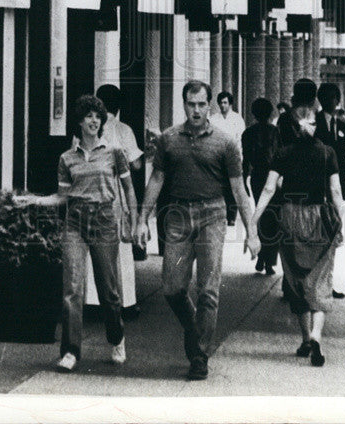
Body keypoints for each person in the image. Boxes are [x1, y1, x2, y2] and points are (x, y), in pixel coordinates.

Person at [134, 80, 259, 381]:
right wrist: (142, 219)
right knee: (172, 287)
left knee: (208, 290)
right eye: (192, 104)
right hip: (177, 216)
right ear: (184, 104)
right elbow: (156, 179)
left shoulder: (225, 142)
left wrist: (252, 232)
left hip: (212, 215)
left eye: (202, 104)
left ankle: (199, 355)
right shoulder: (169, 139)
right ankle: (194, 327)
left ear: (210, 105)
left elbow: (239, 189)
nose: (197, 110)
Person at [252, 79, 344, 367]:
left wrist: (253, 220)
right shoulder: (327, 153)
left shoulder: (284, 152)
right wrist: (340, 223)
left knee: (295, 279)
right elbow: (336, 192)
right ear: (315, 124)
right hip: (319, 217)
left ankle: (304, 340)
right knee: (320, 278)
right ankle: (317, 335)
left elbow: (268, 189)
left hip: (290, 215)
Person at [49, 94, 138, 372]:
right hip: (74, 222)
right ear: (80, 121)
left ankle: (117, 339)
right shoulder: (67, 158)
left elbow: (128, 190)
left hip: (104, 220)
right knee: (72, 288)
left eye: (98, 117)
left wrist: (132, 221)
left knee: (108, 289)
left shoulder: (114, 153)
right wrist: (35, 200)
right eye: (88, 116)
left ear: (102, 122)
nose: (93, 121)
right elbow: (63, 197)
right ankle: (70, 352)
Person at [96, 84, 143, 319]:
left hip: (93, 192)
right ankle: (126, 302)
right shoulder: (124, 130)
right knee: (122, 249)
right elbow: (136, 165)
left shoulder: (89, 128)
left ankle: (93, 301)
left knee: (93, 245)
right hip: (117, 193)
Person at [241, 97, 282, 274]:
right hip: (273, 177)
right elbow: (280, 156)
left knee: (261, 215)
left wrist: (244, 179)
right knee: (273, 219)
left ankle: (261, 256)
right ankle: (268, 260)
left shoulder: (248, 133)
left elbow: (245, 160)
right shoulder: (275, 132)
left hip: (257, 177)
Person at [210, 90, 246, 225]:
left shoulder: (237, 119)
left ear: (230, 104)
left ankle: (231, 216)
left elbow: (240, 140)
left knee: (233, 187)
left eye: (225, 103)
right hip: (217, 157)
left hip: (233, 157)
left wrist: (239, 158)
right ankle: (220, 215)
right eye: (221, 103)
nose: (223, 105)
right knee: (220, 186)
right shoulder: (213, 119)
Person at [315, 83, 345, 201]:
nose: (330, 101)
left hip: (339, 171)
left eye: (333, 97)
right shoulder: (315, 121)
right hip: (320, 172)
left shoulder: (343, 122)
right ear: (321, 100)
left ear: (338, 100)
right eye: (327, 97)